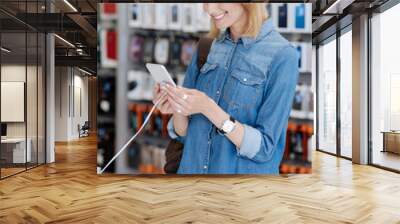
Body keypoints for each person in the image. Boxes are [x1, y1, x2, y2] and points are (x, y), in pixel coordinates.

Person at [153, 3, 299, 174]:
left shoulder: (282, 56)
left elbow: (265, 149)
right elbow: (183, 134)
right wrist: (177, 105)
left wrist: (209, 108)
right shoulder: (206, 48)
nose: (209, 9)